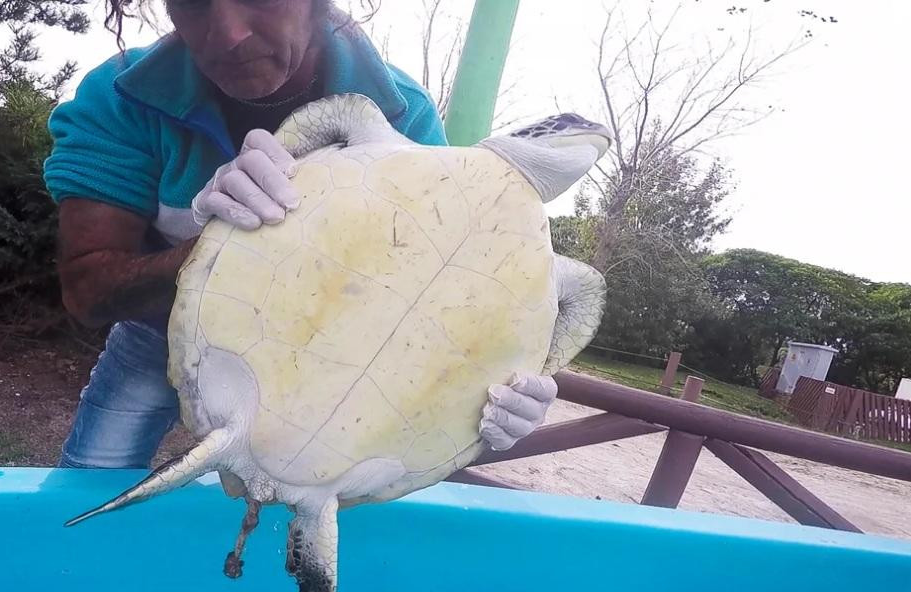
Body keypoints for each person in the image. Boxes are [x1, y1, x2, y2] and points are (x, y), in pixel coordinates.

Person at [43, 0, 558, 470]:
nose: (229, 36)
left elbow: (441, 298)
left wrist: (493, 389)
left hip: (318, 356)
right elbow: (87, 292)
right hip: (153, 337)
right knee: (88, 488)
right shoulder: (118, 96)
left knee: (295, 519)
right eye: (192, 5)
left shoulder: (403, 117)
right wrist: (214, 251)